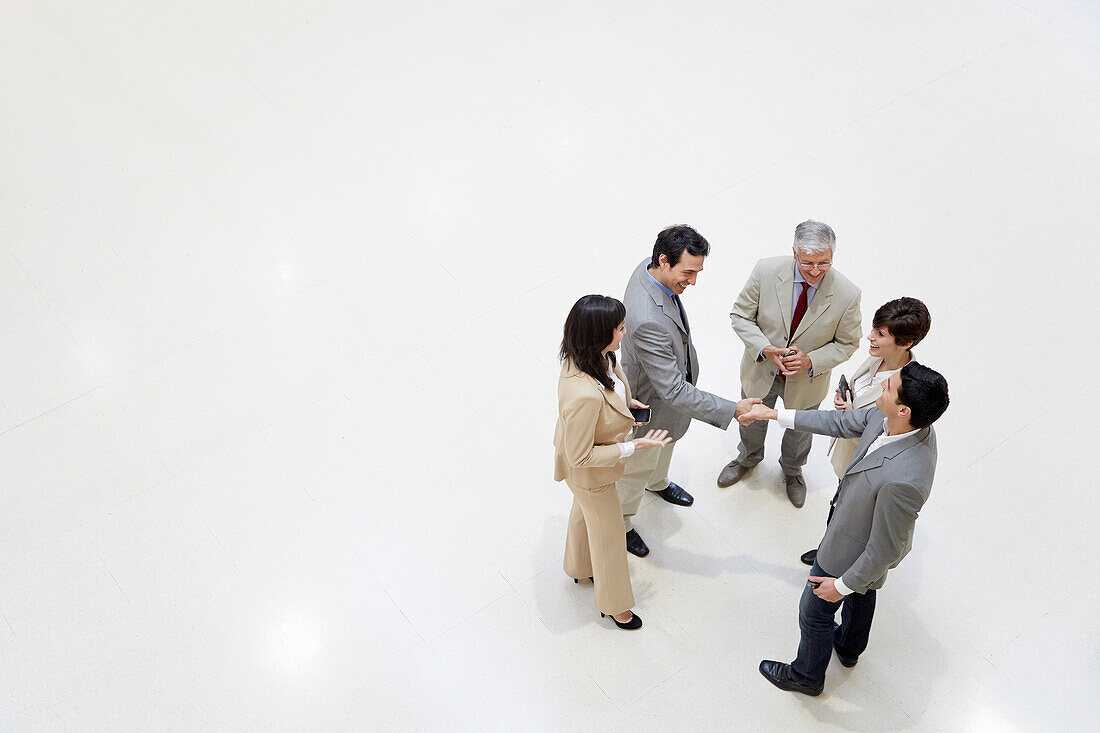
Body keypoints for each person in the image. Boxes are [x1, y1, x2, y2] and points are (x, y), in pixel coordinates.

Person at [737, 362, 950, 696]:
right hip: (856, 529)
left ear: (904, 409)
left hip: (850, 551)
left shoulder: (904, 480)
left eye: (888, 387)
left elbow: (886, 550)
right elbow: (837, 422)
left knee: (814, 611)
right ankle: (849, 649)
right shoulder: (895, 420)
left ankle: (807, 676)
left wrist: (842, 584)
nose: (881, 387)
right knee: (863, 593)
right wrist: (773, 415)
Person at [617, 225, 756, 558]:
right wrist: (733, 409)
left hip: (669, 401)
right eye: (688, 272)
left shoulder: (648, 269)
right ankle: (621, 522)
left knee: (665, 447)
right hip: (653, 403)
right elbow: (673, 391)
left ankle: (658, 482)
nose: (693, 281)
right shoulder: (648, 318)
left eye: (698, 272)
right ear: (663, 261)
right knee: (637, 468)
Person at [718, 220, 862, 508]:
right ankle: (747, 457)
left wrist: (812, 360)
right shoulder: (766, 271)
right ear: (794, 252)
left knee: (799, 431)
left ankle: (793, 470)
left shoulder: (848, 294)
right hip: (761, 369)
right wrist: (763, 348)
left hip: (807, 379)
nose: (816, 271)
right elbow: (740, 316)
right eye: (808, 262)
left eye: (824, 263)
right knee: (752, 419)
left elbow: (848, 343)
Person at [553, 294, 672, 630]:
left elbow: (614, 388)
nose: (624, 332)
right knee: (609, 538)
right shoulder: (584, 395)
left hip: (588, 472)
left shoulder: (594, 356)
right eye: (619, 328)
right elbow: (581, 456)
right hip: (591, 474)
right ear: (598, 334)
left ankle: (578, 568)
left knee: (583, 514)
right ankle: (615, 605)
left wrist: (626, 406)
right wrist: (633, 448)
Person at [801, 297, 931, 566]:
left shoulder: (904, 390)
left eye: (880, 334)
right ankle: (828, 547)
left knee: (849, 516)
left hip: (864, 466)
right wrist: (847, 407)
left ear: (906, 344)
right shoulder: (878, 359)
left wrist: (850, 417)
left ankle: (834, 560)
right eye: (874, 329)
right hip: (848, 453)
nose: (869, 337)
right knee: (838, 505)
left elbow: (887, 437)